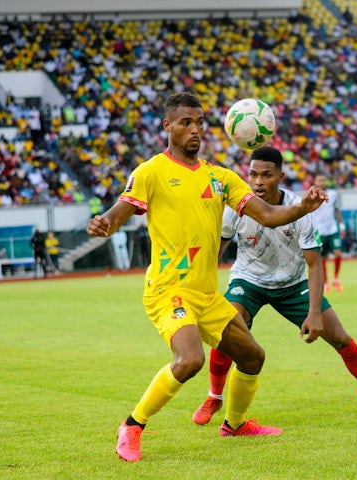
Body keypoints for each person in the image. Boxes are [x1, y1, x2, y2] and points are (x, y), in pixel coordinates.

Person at [86, 92, 327, 463]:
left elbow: (266, 214)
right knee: (190, 360)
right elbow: (120, 212)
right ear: (168, 126)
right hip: (169, 290)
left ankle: (234, 424)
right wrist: (105, 223)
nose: (195, 130)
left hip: (206, 294)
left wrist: (302, 208)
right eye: (185, 122)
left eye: (199, 122)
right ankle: (132, 426)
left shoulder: (221, 177)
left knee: (252, 357)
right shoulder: (151, 171)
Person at [192, 146, 357, 426]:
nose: (258, 181)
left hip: (292, 283)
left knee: (340, 337)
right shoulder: (238, 206)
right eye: (253, 174)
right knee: (228, 327)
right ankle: (214, 397)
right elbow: (216, 252)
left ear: (280, 176)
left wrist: (315, 313)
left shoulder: (300, 209)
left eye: (266, 175)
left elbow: (315, 265)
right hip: (248, 279)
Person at [312, 173, 345, 292]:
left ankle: (335, 279)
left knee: (338, 253)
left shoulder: (333, 194)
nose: (322, 182)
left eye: (323, 180)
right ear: (315, 182)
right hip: (319, 231)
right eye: (319, 180)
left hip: (332, 230)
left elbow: (337, 210)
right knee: (322, 258)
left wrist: (342, 226)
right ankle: (325, 282)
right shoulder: (312, 196)